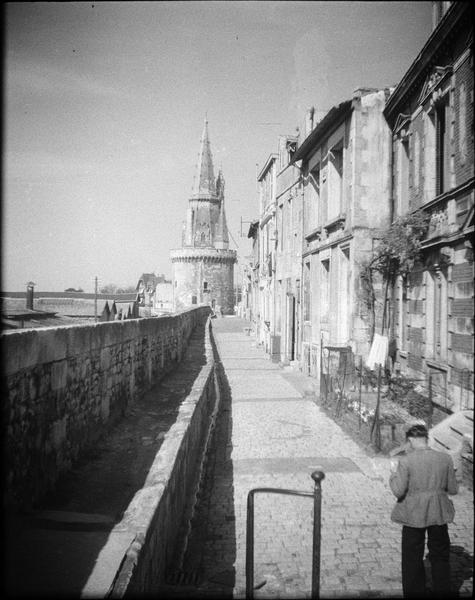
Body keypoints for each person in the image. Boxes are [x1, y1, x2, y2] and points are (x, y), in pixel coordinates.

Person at [389, 424, 458, 598]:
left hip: (413, 513)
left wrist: (393, 474)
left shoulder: (406, 461)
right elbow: (453, 489)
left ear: (410, 440)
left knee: (412, 555)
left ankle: (414, 592)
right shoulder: (445, 458)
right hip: (439, 511)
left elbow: (398, 490)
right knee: (441, 554)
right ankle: (442, 590)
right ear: (427, 439)